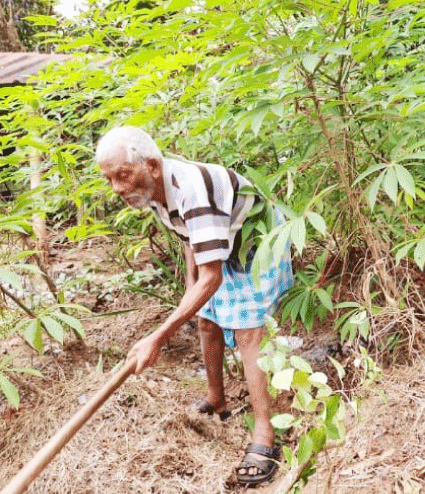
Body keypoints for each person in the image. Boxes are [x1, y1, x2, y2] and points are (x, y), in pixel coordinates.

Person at [95, 126, 294, 486]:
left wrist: (157, 337)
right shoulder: (155, 189)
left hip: (259, 242)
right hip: (222, 244)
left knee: (248, 331)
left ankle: (265, 436)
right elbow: (191, 238)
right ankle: (216, 399)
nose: (117, 188)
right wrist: (191, 285)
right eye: (109, 179)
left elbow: (212, 276)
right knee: (206, 321)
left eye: (123, 175)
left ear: (151, 166)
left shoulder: (192, 190)